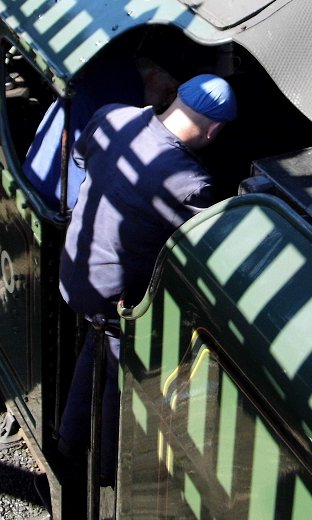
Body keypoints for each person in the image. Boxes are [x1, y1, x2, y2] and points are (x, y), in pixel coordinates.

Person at [56, 73, 237, 480]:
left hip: (75, 271)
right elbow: (196, 253)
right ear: (214, 130)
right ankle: (106, 471)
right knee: (122, 378)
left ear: (175, 99)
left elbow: (84, 160)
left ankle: (69, 442)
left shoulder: (112, 118)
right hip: (115, 300)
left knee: (96, 343)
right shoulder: (192, 182)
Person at [22, 56, 179, 210]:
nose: (170, 101)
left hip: (33, 174)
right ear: (155, 72)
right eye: (171, 90)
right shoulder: (126, 107)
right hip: (61, 200)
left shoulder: (104, 71)